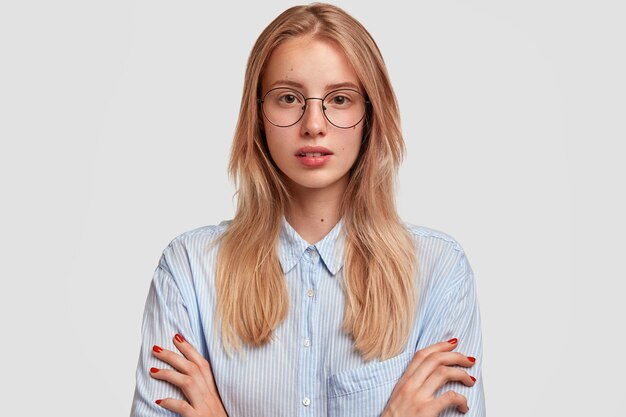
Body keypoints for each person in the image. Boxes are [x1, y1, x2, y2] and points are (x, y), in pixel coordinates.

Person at [130, 3, 486, 417]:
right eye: (288, 98)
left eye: (339, 98)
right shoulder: (190, 268)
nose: (313, 123)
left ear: (370, 114)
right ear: (257, 114)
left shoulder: (439, 272)